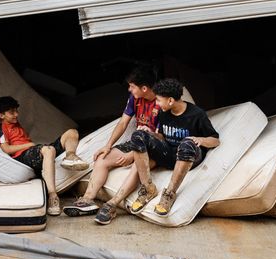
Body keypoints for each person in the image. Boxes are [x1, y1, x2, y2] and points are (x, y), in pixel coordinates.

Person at [94, 78, 219, 225]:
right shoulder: (164, 112)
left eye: (159, 100)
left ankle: (169, 194)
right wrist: (151, 134)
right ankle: (148, 189)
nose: (157, 104)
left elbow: (215, 140)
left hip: (189, 156)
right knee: (139, 135)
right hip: (168, 153)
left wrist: (201, 140)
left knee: (186, 144)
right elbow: (162, 137)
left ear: (171, 100)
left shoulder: (197, 114)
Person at [63, 65, 160, 217]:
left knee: (138, 165)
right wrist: (107, 146)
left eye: (132, 86)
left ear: (145, 88)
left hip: (154, 147)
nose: (129, 90)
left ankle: (112, 205)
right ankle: (87, 200)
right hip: (137, 142)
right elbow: (122, 123)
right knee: (102, 158)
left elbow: (162, 138)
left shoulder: (162, 102)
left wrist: (134, 155)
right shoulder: (135, 99)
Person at [0, 96, 88, 216]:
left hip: (35, 151)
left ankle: (70, 156)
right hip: (23, 156)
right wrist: (29, 145)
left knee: (72, 132)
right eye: (12, 112)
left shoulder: (16, 124)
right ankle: (53, 197)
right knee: (49, 150)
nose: (16, 114)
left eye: (16, 111)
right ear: (2, 115)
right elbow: (6, 149)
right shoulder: (0, 128)